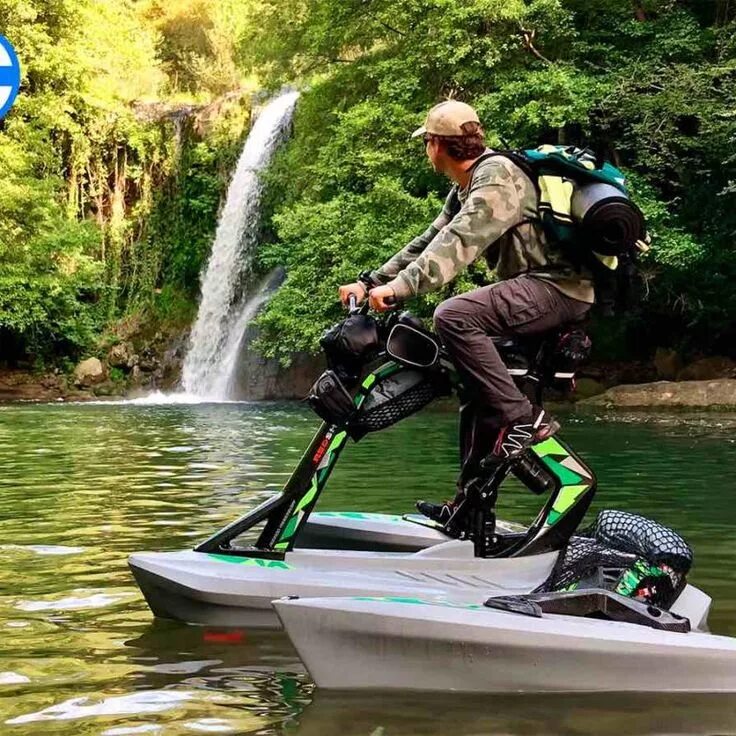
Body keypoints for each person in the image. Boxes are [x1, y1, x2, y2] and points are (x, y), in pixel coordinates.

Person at [338, 100, 593, 524]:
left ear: (437, 145)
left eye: (427, 143)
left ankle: (523, 420)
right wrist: (371, 281)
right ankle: (469, 510)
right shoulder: (467, 185)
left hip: (559, 289)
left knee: (454, 315)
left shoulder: (497, 179)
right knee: (475, 391)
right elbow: (431, 240)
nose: (426, 151)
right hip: (533, 288)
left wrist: (399, 290)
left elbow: (459, 244)